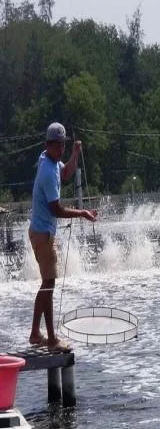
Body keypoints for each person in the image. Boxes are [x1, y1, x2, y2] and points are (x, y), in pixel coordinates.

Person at [28, 122, 97, 351]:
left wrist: (75, 155)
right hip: (44, 234)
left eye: (62, 145)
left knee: (46, 284)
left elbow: (66, 173)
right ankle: (52, 340)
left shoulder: (48, 159)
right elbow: (56, 209)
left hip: (40, 232)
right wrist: (82, 213)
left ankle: (35, 334)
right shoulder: (48, 171)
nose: (60, 149)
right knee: (49, 285)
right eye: (58, 145)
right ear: (51, 145)